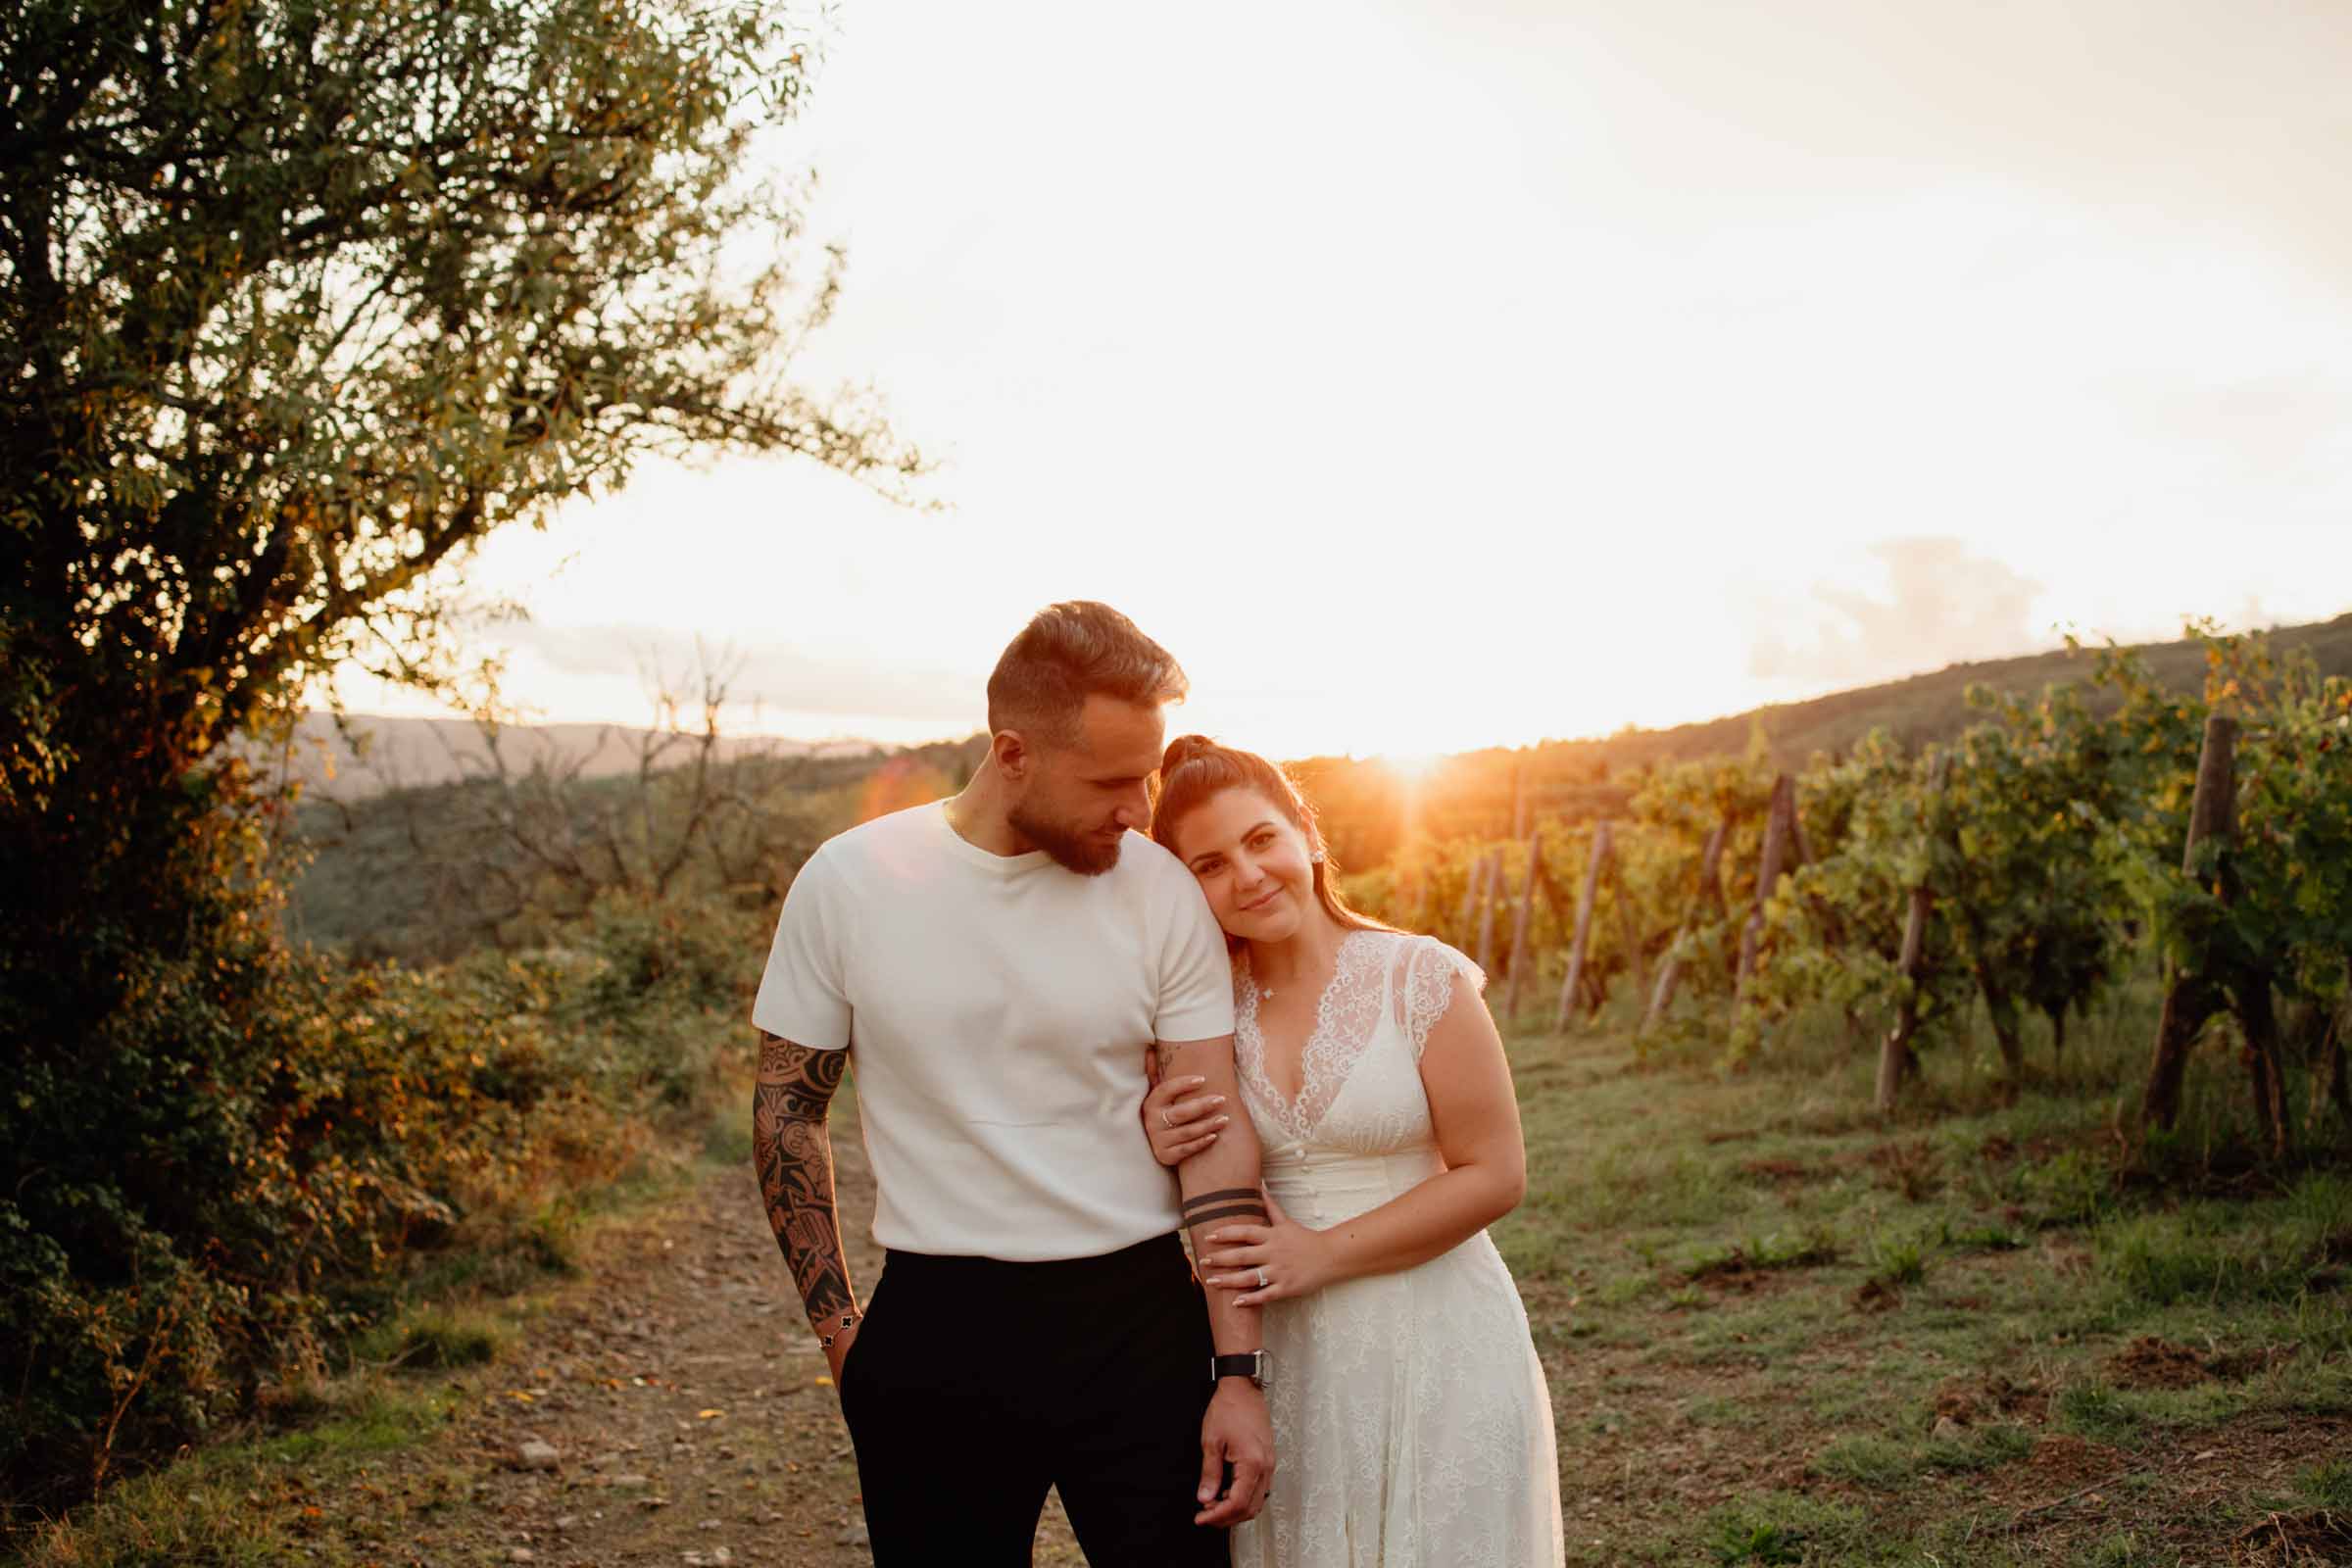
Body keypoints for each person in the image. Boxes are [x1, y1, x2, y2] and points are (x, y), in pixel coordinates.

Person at [748, 603, 1275, 1567]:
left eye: (1148, 775)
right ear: (1014, 752)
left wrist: (1237, 1370)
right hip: (936, 1327)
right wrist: (843, 1340)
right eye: (1113, 779)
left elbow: (1215, 1134)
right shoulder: (847, 882)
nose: (1138, 807)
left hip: (1140, 1321)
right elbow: (788, 1106)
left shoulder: (1159, 892)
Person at [1141, 735, 1565, 1567]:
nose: (1249, 876)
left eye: (1261, 840)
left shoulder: (1420, 978)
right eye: (1211, 865)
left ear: (1306, 829)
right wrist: (1150, 1143)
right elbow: (1197, 1194)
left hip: (1440, 1335)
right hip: (1288, 1356)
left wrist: (1320, 1254)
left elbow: (1497, 1172)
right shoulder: (1200, 1015)